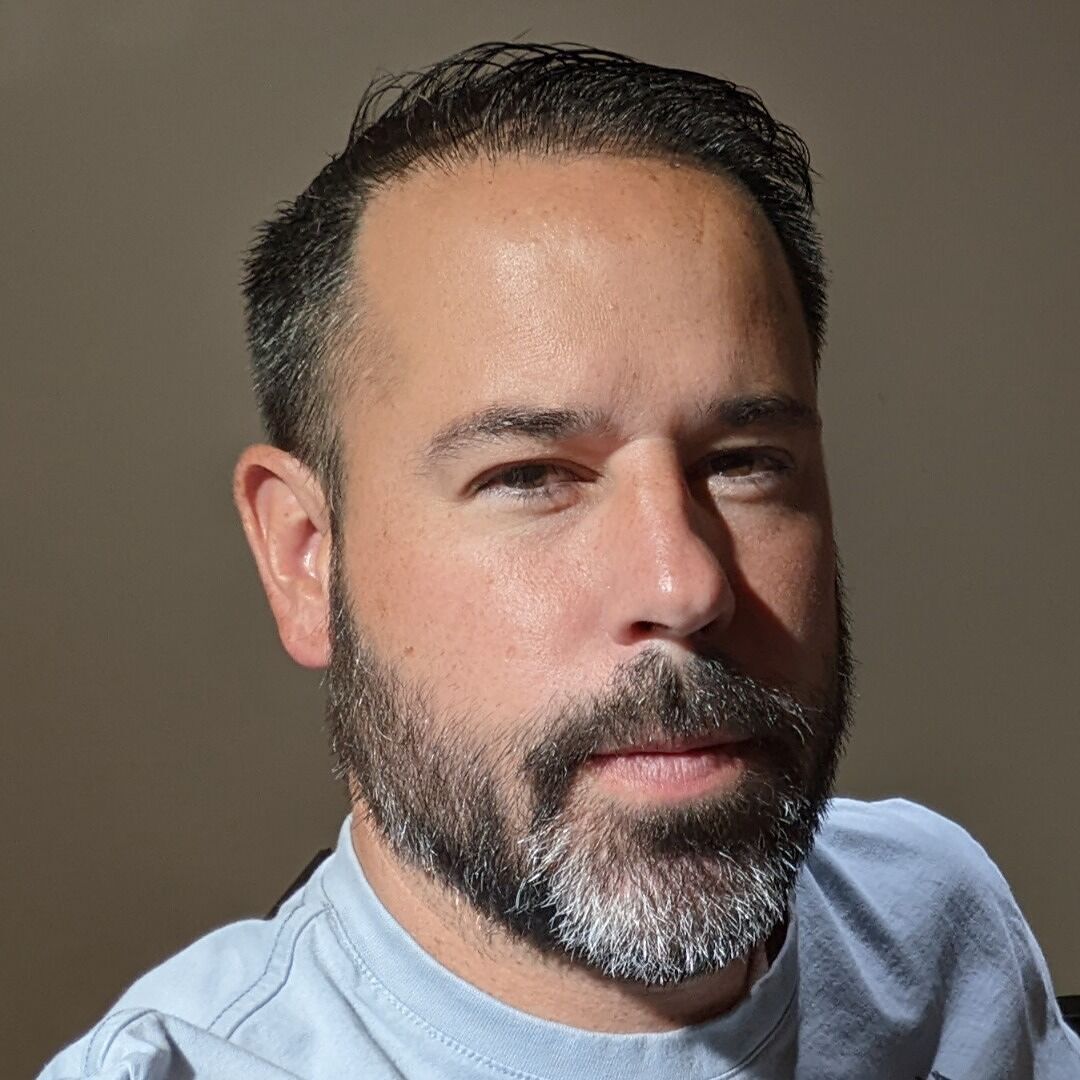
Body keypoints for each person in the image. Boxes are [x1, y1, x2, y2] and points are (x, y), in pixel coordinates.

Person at [40, 42, 1080, 1080]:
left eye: (745, 463)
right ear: (307, 559)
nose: (684, 586)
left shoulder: (941, 927)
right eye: (531, 476)